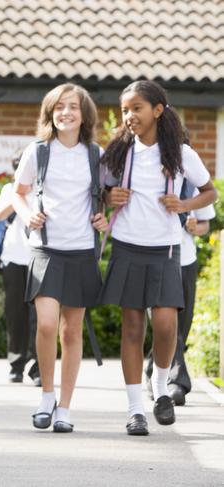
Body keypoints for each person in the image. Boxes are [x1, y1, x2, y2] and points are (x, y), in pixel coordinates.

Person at [101, 80, 217, 436]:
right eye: (125, 110)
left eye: (136, 108)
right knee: (133, 328)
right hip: (127, 246)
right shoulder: (118, 152)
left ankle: (161, 387)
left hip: (166, 249)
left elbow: (209, 191)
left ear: (157, 110)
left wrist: (183, 205)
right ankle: (135, 409)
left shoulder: (181, 153)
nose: (129, 116)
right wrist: (110, 196)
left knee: (167, 326)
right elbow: (100, 192)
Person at [12, 83, 108, 433]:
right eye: (59, 107)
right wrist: (26, 216)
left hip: (82, 251)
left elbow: (111, 196)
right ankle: (46, 396)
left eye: (73, 107)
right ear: (50, 113)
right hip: (46, 249)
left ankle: (65, 408)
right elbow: (18, 193)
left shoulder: (96, 155)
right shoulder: (37, 152)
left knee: (71, 331)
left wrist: (104, 217)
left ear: (85, 115)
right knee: (48, 324)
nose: (65, 113)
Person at [145, 188, 215, 406]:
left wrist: (196, 227)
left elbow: (206, 224)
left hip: (185, 261)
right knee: (165, 324)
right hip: (154, 259)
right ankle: (176, 382)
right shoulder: (151, 179)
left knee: (182, 324)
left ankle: (153, 371)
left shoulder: (193, 185)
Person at [0, 154, 40, 386]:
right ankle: (16, 364)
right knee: (16, 314)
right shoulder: (10, 189)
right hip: (13, 259)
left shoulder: (44, 189)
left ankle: (38, 366)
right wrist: (19, 194)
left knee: (40, 315)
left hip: (39, 259)